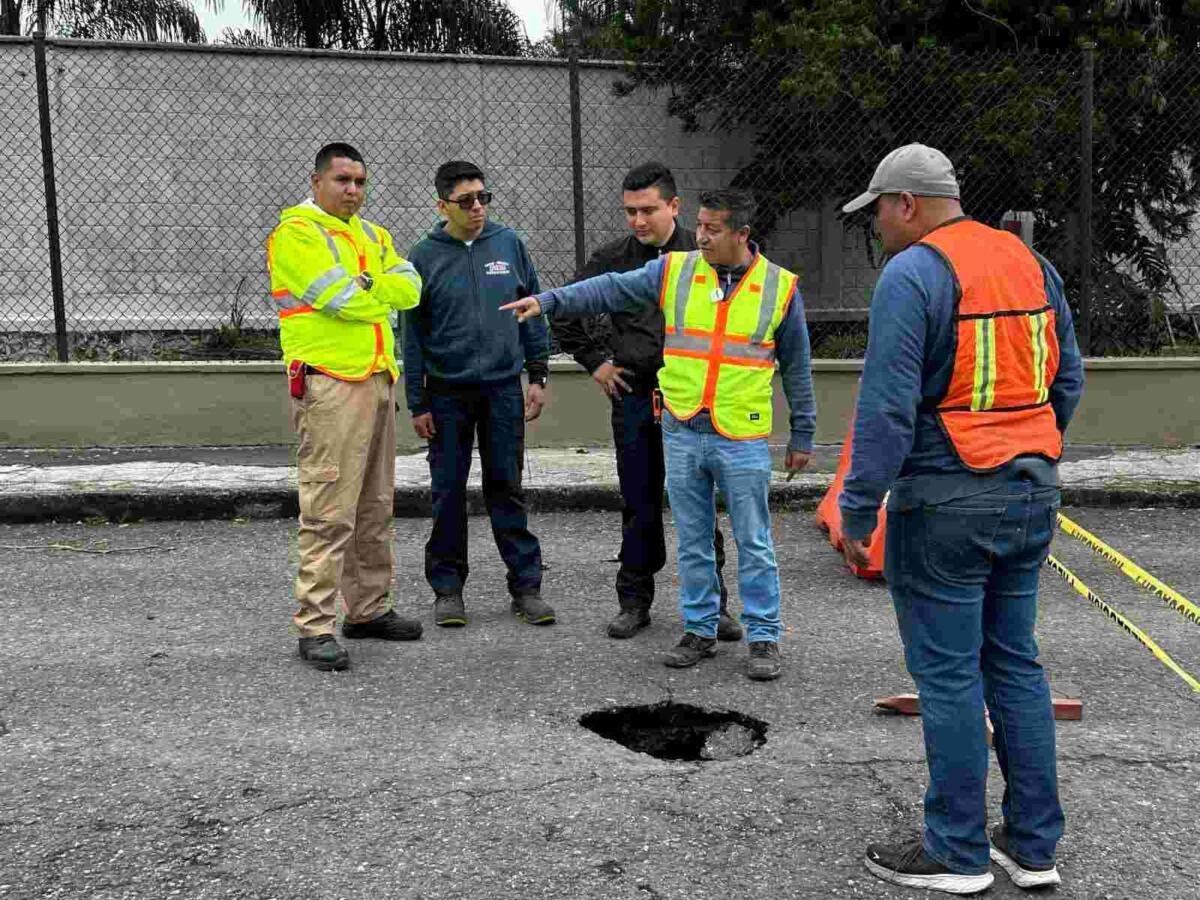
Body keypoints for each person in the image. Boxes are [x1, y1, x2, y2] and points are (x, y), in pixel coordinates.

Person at [838, 144, 1084, 894]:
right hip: (1029, 489)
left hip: (945, 498)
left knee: (947, 677)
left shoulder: (912, 274)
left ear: (906, 204)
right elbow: (1065, 378)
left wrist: (857, 506)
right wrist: (1028, 454)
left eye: (877, 209)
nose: (875, 224)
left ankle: (957, 851)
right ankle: (1034, 846)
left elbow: (886, 406)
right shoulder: (1027, 264)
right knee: (1014, 662)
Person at [503, 189, 815, 681]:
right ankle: (699, 629)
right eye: (701, 224)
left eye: (713, 228)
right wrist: (548, 301)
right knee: (692, 538)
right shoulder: (676, 270)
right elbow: (608, 288)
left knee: (753, 542)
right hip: (683, 427)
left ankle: (763, 637)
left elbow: (797, 367)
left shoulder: (779, 288)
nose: (702, 235)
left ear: (742, 234)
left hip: (741, 435)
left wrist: (803, 435)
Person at [553, 161, 740, 642]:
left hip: (692, 401)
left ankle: (714, 605)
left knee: (699, 504)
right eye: (630, 211)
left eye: (648, 210)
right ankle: (634, 601)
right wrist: (596, 362)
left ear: (674, 206)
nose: (638, 221)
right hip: (634, 396)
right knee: (638, 502)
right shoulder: (612, 258)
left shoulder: (706, 256)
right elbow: (567, 308)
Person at [266, 142, 426, 672]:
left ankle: (367, 609)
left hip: (378, 380)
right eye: (342, 180)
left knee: (375, 506)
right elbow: (343, 300)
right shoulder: (297, 235)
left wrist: (369, 286)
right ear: (317, 183)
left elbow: (412, 287)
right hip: (331, 386)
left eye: (359, 181)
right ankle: (315, 625)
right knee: (329, 509)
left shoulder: (374, 235)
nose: (353, 190)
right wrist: (372, 289)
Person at [401, 160, 554, 628]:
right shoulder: (423, 256)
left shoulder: (508, 245)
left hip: (503, 390)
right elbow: (413, 334)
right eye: (466, 200)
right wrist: (418, 402)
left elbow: (533, 309)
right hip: (446, 394)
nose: (477, 208)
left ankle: (526, 587)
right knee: (447, 492)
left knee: (506, 487)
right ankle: (447, 590)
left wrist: (539, 374)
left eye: (483, 197)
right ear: (442, 205)